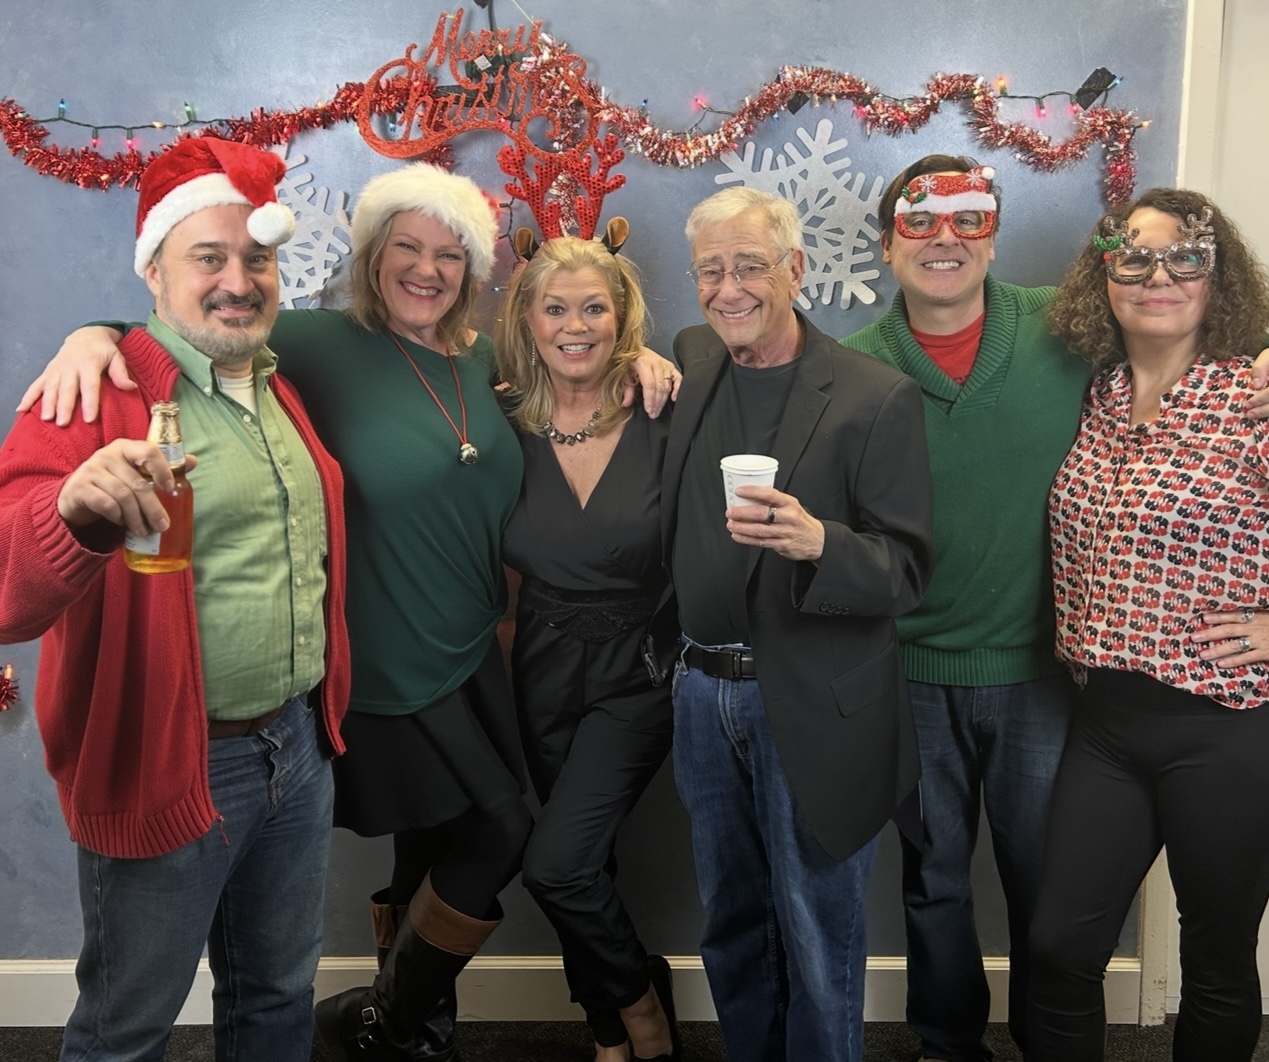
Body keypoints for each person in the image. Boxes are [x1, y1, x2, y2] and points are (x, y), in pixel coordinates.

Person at [26, 163, 680, 1062]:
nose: (426, 268)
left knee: (435, 845)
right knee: (497, 833)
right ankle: (399, 1015)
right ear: (372, 258)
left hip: (475, 651)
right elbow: (189, 326)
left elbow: (578, 372)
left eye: (448, 253)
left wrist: (639, 355)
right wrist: (89, 334)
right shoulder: (314, 342)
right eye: (406, 248)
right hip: (376, 659)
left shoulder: (495, 362)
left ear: (474, 271)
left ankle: (412, 1030)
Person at [0, 138, 350, 1061]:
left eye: (257, 259)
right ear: (154, 271)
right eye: (209, 257)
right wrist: (73, 511)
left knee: (276, 997)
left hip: (297, 750)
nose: (237, 280)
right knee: (126, 1028)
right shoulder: (93, 393)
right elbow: (6, 591)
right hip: (168, 755)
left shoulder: (275, 385)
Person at [664, 185, 934, 1062]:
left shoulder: (874, 396)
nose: (729, 288)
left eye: (750, 266)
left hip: (816, 704)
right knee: (731, 921)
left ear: (796, 269)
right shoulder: (693, 357)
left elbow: (907, 569)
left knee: (817, 930)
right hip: (702, 693)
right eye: (711, 270)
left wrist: (820, 542)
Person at [841, 155, 1086, 1062]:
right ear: (886, 241)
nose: (944, 237)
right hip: (906, 673)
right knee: (934, 880)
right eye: (919, 220)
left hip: (1042, 674)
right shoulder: (854, 368)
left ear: (992, 233)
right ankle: (948, 1045)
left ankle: (1050, 1042)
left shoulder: (1066, 325)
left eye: (968, 218)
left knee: (1045, 883)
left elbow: (1184, 320)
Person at [1029, 188, 1269, 1062]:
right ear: (1104, 276)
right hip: (1104, 724)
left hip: (1228, 726)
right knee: (1057, 948)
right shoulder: (1093, 397)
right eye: (1133, 256)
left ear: (1219, 277)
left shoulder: (1252, 394)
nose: (1157, 276)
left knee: (1215, 961)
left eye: (1186, 258)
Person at [496, 230, 679, 1062]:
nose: (575, 326)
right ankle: (606, 1036)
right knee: (586, 862)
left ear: (622, 318)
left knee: (557, 863)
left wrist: (654, 362)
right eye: (555, 308)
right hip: (538, 667)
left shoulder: (664, 408)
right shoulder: (502, 418)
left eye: (594, 308)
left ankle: (642, 1012)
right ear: (527, 319)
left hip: (635, 672)